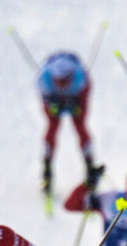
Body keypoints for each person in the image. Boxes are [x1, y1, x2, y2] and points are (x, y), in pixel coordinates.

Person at [38, 51, 96, 196]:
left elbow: (85, 97)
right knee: (52, 128)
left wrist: (76, 106)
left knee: (80, 128)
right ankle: (47, 168)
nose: (62, 85)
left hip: (76, 96)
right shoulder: (43, 79)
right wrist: (54, 105)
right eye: (59, 81)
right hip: (54, 98)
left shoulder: (81, 79)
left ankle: (89, 165)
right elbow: (45, 101)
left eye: (65, 81)